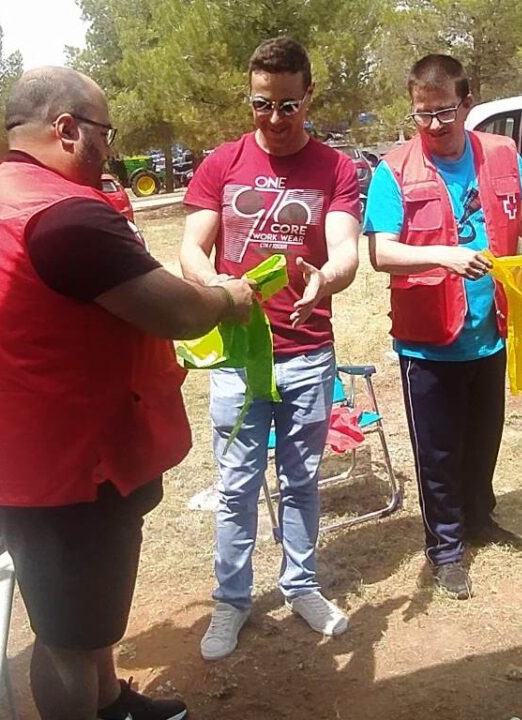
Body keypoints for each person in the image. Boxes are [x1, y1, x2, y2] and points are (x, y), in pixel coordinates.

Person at [0, 67, 255, 720]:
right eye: (105, 134)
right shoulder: (61, 217)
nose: (108, 150)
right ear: (67, 129)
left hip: (27, 455)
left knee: (89, 615)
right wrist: (228, 297)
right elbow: (176, 312)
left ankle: (111, 701)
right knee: (66, 636)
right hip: (65, 467)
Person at [363, 54, 522, 599]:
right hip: (428, 342)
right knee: (437, 452)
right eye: (422, 114)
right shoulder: (395, 168)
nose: (433, 126)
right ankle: (447, 548)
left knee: (484, 439)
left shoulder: (503, 154)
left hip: (490, 330)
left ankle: (480, 519)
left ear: (466, 105)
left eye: (444, 113)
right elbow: (380, 252)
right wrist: (445, 255)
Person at [180, 37, 361, 660]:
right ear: (249, 97)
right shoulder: (220, 164)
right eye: (264, 105)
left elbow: (345, 252)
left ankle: (301, 585)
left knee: (303, 480)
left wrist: (325, 277)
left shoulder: (336, 168)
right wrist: (216, 286)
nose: (277, 120)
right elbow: (190, 249)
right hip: (238, 356)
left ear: (308, 96)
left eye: (289, 105)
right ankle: (231, 602)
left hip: (308, 353)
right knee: (235, 485)